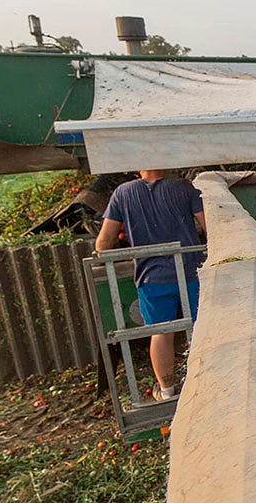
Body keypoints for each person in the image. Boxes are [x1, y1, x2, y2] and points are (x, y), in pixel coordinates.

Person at [95, 170, 206, 401]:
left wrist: (126, 254)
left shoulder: (122, 193)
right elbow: (210, 226)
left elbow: (104, 243)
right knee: (201, 328)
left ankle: (167, 392)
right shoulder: (184, 188)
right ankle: (206, 383)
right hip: (191, 272)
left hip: (151, 277)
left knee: (161, 331)